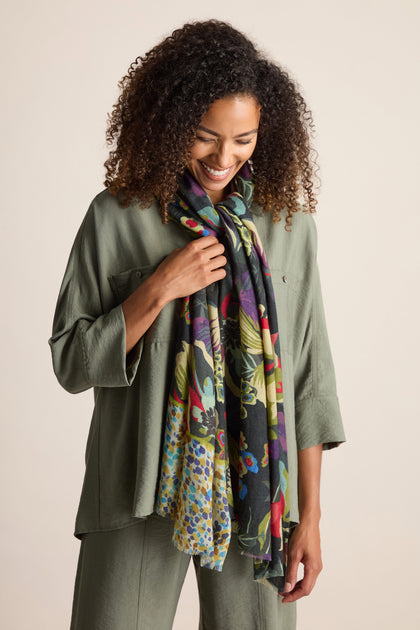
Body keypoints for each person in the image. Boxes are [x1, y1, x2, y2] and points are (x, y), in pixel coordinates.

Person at [48, 19, 346, 630]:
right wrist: (159, 288)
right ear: (170, 120)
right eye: (206, 137)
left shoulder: (289, 227)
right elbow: (72, 361)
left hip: (257, 490)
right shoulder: (117, 217)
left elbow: (310, 375)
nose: (223, 158)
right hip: (138, 487)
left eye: (244, 140)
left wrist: (308, 515)